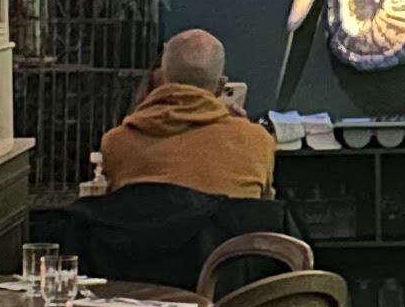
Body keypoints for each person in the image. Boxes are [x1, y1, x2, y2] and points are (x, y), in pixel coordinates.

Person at [98, 27, 277, 201]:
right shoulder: (257, 142)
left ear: (161, 78)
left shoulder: (116, 143)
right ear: (220, 86)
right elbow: (264, 209)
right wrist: (243, 135)